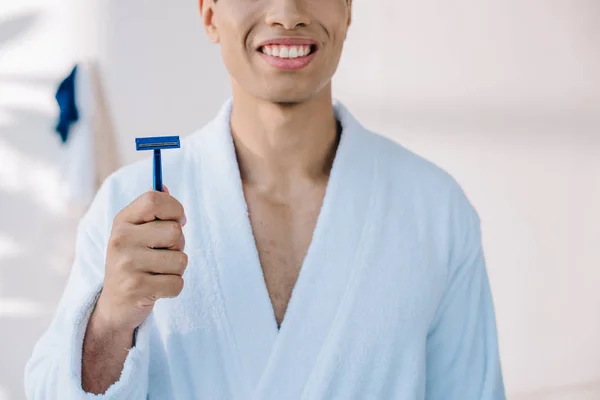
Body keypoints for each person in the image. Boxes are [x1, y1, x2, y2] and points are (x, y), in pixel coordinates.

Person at [25, 0, 506, 398]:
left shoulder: (436, 211)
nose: (287, 12)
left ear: (346, 9)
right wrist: (111, 319)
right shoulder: (126, 207)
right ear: (210, 14)